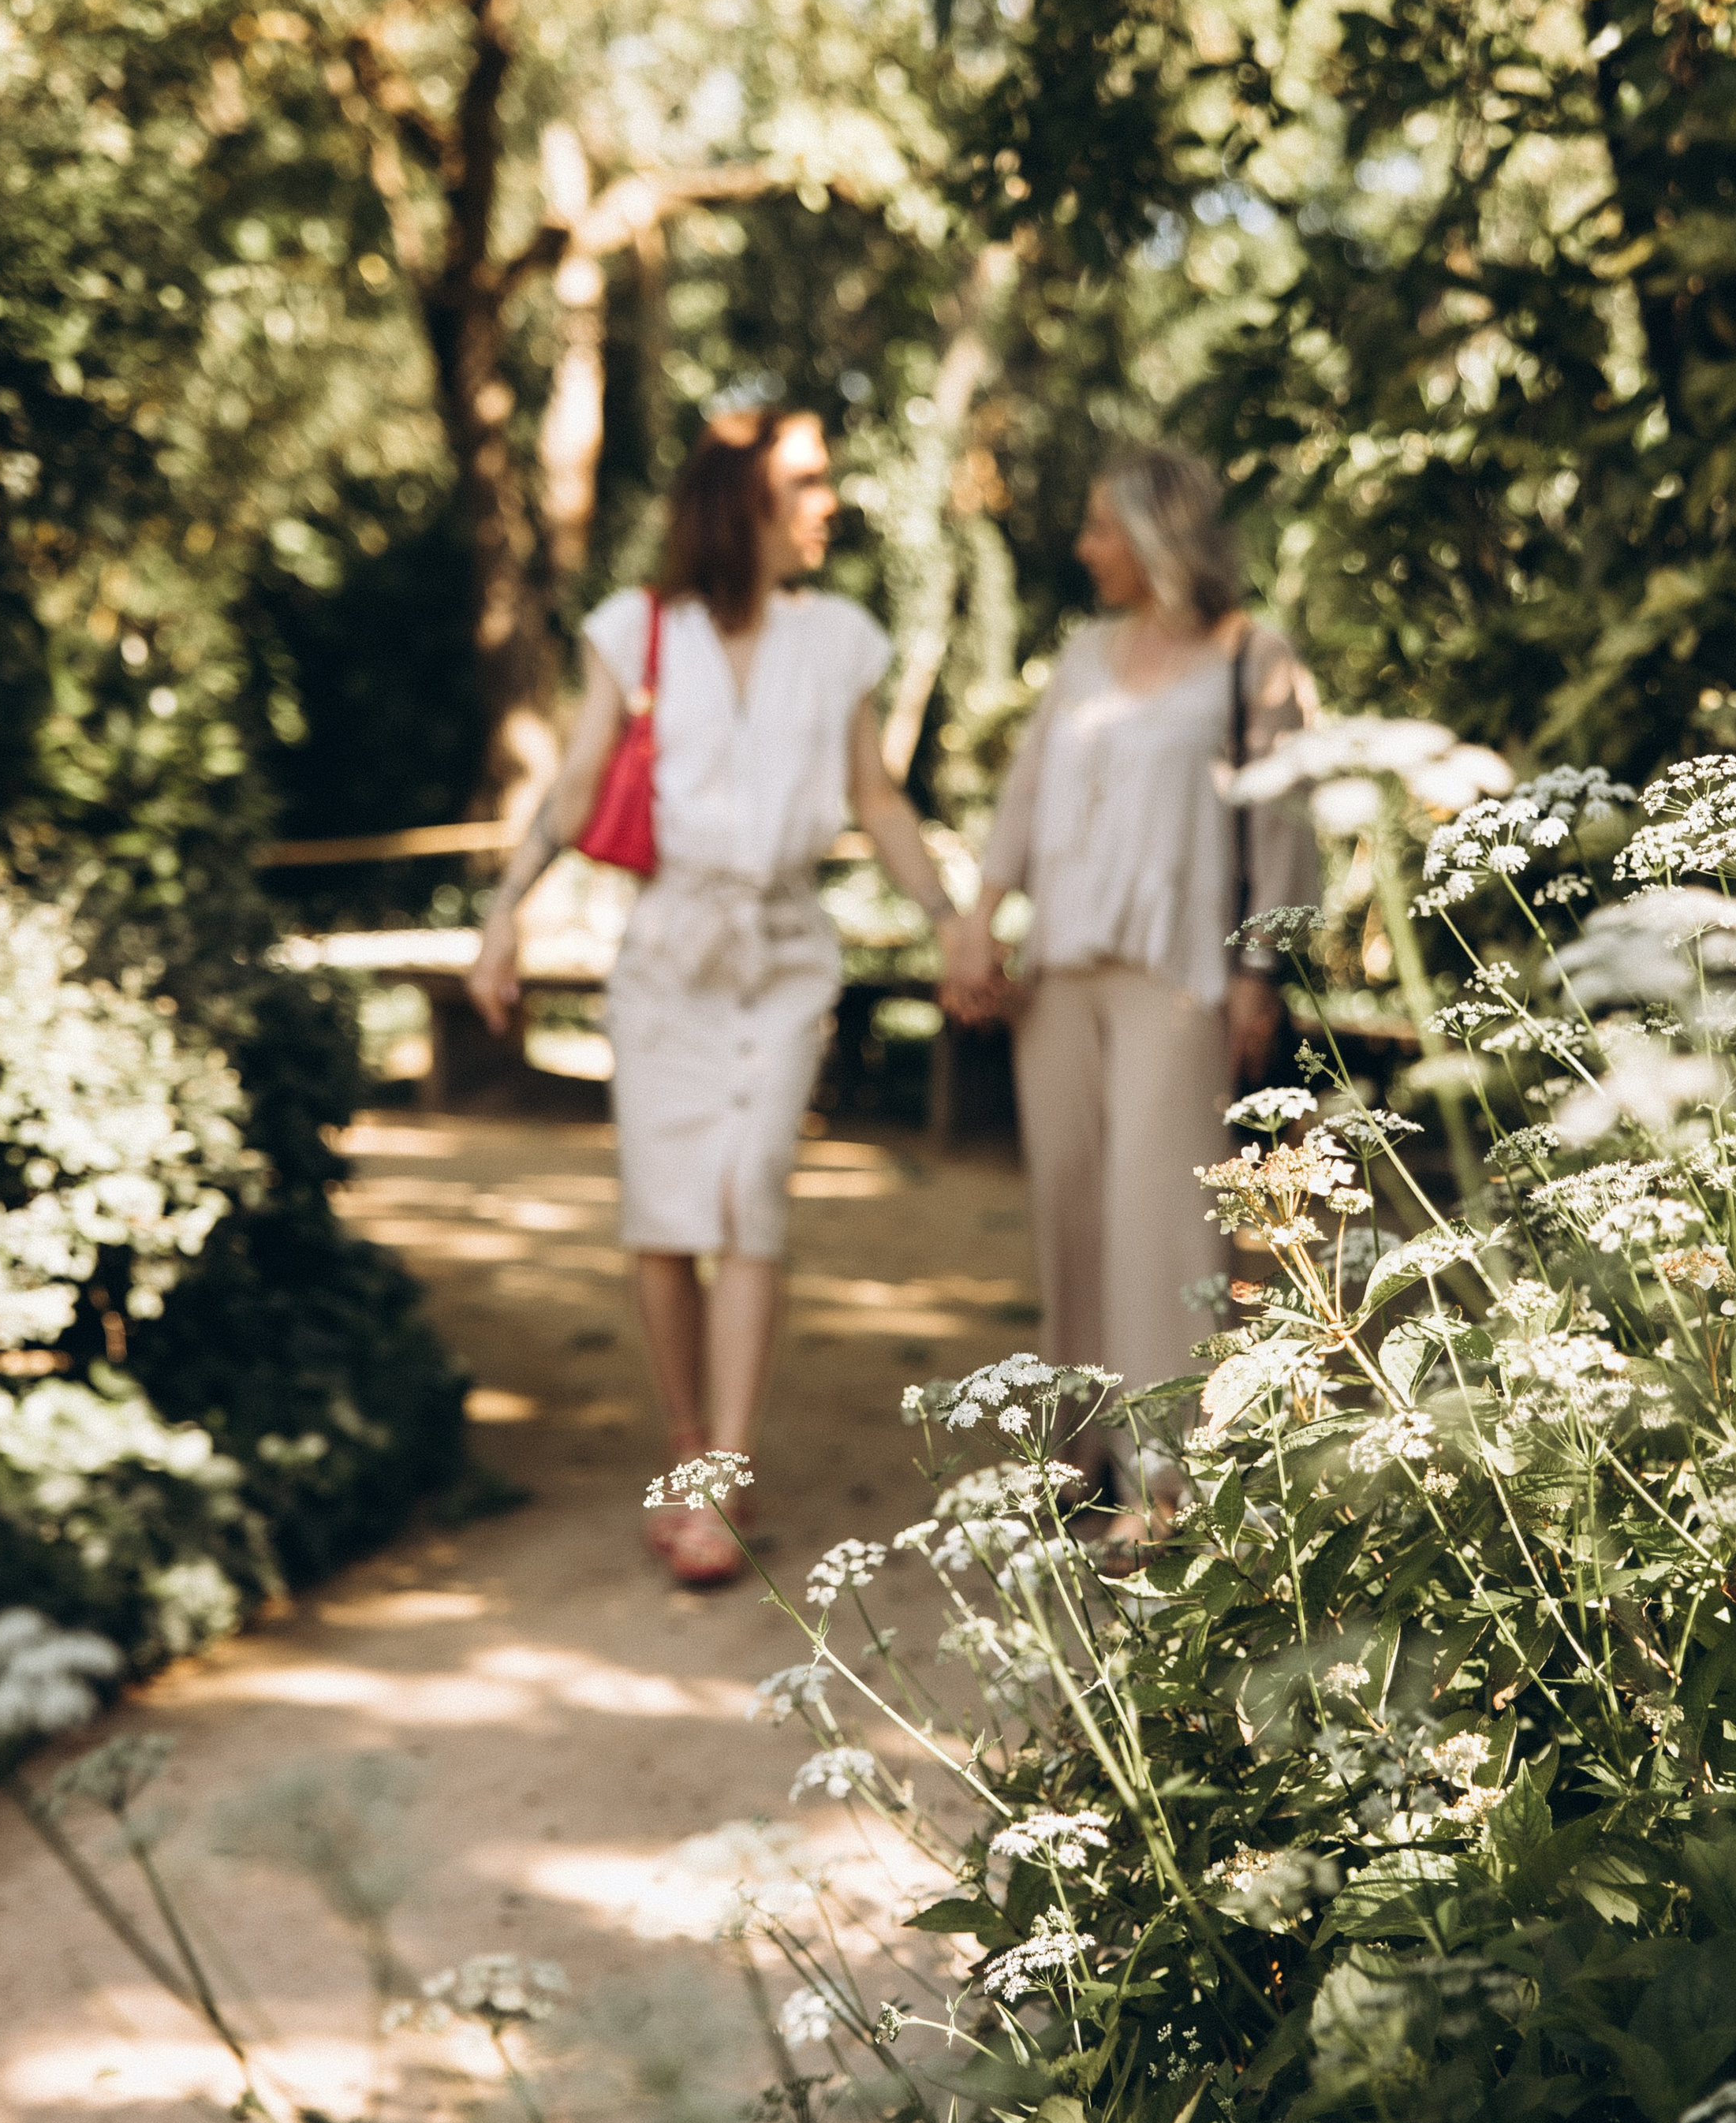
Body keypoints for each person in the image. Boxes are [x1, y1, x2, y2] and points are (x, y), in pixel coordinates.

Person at [469, 407, 964, 1585]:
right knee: (664, 1210)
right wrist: (504, 909)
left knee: (749, 1199)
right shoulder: (637, 628)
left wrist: (952, 922)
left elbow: (878, 800)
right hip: (670, 954)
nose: (828, 502)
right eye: (806, 481)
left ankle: (725, 1481)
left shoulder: (840, 636)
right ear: (740, 498)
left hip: (786, 949)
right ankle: (685, 1449)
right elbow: (581, 776)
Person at [943, 445, 1317, 1502]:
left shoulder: (1256, 657)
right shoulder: (1084, 654)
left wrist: (1263, 966)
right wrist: (979, 918)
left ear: (1156, 536)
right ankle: (1081, 1452)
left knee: (1162, 1219)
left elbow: (1283, 829)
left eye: (1101, 526)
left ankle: (1170, 1480)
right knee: (1072, 1211)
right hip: (1061, 970)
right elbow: (1023, 799)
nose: (1084, 546)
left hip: (1180, 974)